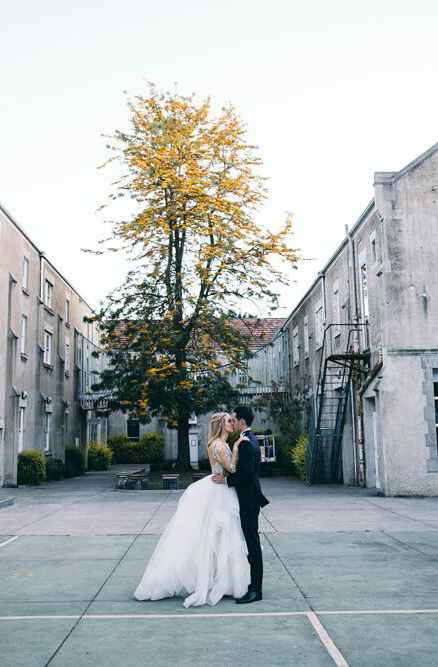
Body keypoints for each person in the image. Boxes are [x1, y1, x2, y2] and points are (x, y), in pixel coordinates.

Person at [134, 412, 251, 608]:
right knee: (220, 536)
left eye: (232, 420)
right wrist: (238, 447)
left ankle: (222, 580)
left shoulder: (218, 443)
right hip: (219, 492)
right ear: (221, 425)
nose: (232, 423)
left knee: (220, 537)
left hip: (220, 488)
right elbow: (231, 468)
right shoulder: (220, 445)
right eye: (229, 421)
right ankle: (220, 581)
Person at [213, 405, 269, 604]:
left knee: (252, 544)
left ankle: (256, 590)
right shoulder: (248, 439)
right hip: (250, 499)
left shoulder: (245, 442)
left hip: (248, 500)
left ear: (242, 421)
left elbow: (246, 474)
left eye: (234, 419)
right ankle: (254, 586)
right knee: (251, 543)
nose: (233, 422)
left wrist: (227, 481)